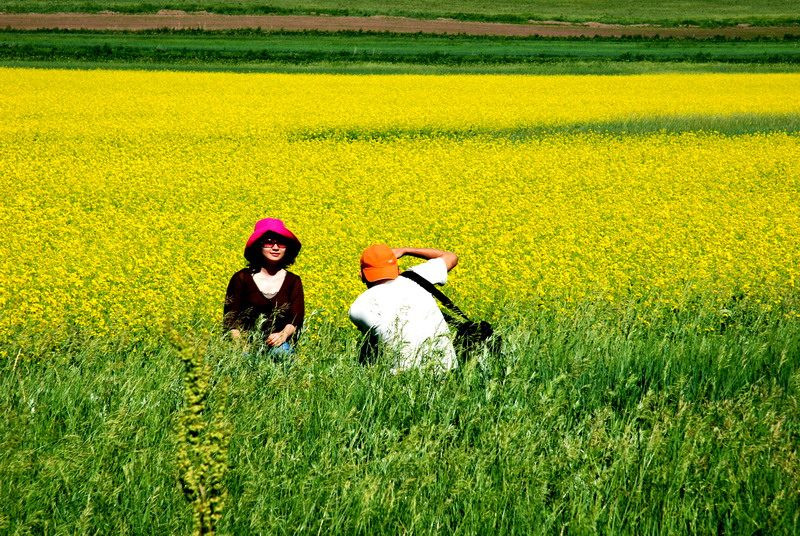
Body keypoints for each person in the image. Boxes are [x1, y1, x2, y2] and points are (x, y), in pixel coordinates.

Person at [348, 244, 459, 372]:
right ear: (398, 270)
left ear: (362, 275)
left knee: (367, 343)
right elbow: (451, 257)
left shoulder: (358, 307)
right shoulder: (418, 276)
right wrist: (406, 251)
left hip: (403, 380)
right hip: (447, 371)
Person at [223, 218, 304, 355]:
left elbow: (296, 319)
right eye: (269, 242)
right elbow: (230, 320)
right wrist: (242, 346)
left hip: (278, 344)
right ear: (258, 246)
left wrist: (282, 336)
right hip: (244, 344)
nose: (276, 247)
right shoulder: (241, 278)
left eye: (281, 243)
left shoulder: (293, 281)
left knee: (282, 353)